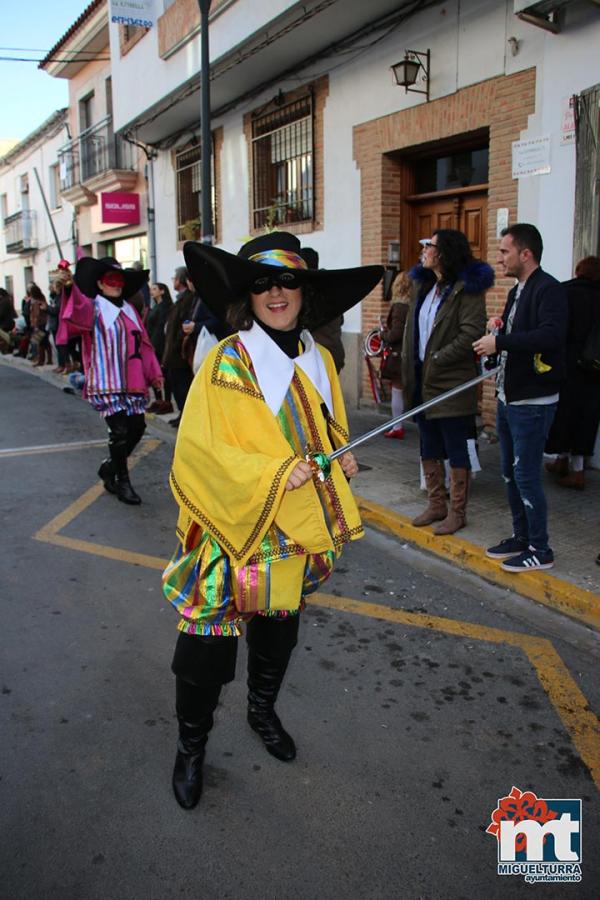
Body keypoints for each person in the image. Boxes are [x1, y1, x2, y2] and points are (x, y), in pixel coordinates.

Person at [162, 231, 382, 810]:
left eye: (287, 280)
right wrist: (272, 473)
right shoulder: (227, 361)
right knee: (206, 648)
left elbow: (325, 431)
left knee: (278, 629)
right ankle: (191, 748)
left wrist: (343, 458)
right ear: (248, 296)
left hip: (293, 532)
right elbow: (200, 450)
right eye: (262, 283)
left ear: (304, 290)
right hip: (231, 527)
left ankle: (262, 712)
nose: (276, 292)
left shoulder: (318, 357)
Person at [473, 223, 567, 572]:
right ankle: (521, 537)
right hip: (508, 398)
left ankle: (541, 549)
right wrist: (502, 328)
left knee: (526, 475)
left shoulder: (549, 289)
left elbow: (550, 336)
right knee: (510, 475)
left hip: (533, 403)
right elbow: (522, 333)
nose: (499, 259)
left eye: (504, 252)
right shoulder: (518, 291)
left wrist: (501, 342)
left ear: (525, 254)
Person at [402, 230, 492, 535]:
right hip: (424, 381)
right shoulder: (426, 286)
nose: (424, 249)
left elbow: (471, 334)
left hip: (451, 382)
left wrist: (437, 359)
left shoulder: (467, 290)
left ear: (445, 253)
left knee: (456, 447)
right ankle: (436, 503)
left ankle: (457, 512)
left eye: (431, 245)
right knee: (428, 445)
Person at [63, 256, 163, 505]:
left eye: (120, 280)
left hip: (133, 381)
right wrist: (69, 287)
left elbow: (145, 346)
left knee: (137, 428)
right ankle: (123, 482)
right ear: (100, 284)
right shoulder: (93, 308)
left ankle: (109, 467)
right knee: (118, 432)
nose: (116, 284)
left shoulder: (130, 311)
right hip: (106, 382)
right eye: (111, 280)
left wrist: (155, 374)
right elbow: (76, 311)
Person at [544, 256, 600, 490]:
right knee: (586, 418)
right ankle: (566, 463)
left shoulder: (565, 292)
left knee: (564, 414)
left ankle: (574, 471)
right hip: (595, 368)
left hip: (568, 365)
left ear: (578, 270)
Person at [162, 266, 195, 428]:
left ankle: (185, 416)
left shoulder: (188, 299)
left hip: (179, 352)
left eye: (175, 278)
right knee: (177, 385)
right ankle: (182, 414)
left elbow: (183, 324)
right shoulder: (181, 299)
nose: (173, 281)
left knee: (182, 386)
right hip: (173, 350)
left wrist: (177, 344)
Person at [304, 248, 346, 373]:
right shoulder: (330, 289)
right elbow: (341, 320)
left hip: (319, 358)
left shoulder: (310, 293)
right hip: (334, 353)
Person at [381, 270, 411, 439]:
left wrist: (383, 334)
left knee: (397, 389)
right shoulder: (412, 306)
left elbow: (396, 334)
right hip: (405, 353)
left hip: (398, 354)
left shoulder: (400, 307)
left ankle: (397, 425)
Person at [146, 282, 174, 415]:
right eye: (151, 289)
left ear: (162, 291)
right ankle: (158, 400)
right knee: (155, 372)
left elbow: (160, 328)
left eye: (155, 289)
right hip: (153, 342)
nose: (152, 291)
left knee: (165, 373)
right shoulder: (155, 306)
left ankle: (166, 401)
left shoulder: (166, 307)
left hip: (160, 344)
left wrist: (154, 344)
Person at [29, 284, 52, 367]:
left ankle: (41, 360)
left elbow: (36, 314)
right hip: (43, 323)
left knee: (39, 342)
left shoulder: (36, 301)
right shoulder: (41, 298)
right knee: (45, 342)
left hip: (40, 323)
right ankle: (48, 359)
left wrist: (35, 324)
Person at [0, 288, 16, 353]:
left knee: (6, 337)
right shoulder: (7, 300)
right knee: (8, 336)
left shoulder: (4, 301)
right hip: (8, 322)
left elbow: (1, 313)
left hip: (5, 323)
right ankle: (8, 348)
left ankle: (7, 349)